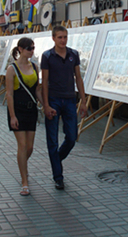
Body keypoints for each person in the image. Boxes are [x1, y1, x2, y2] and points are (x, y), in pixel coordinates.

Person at [41, 25, 87, 190]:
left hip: (69, 100)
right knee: (52, 140)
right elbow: (44, 82)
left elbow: (78, 78)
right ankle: (58, 176)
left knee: (72, 137)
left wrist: (83, 100)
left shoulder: (73, 54)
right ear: (53, 38)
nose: (63, 40)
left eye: (65, 37)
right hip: (53, 100)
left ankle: (56, 159)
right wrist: (45, 105)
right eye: (60, 37)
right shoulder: (47, 56)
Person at [6, 37, 44, 196]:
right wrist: (12, 116)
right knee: (22, 146)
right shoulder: (11, 69)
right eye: (28, 47)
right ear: (20, 49)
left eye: (33, 47)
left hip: (31, 110)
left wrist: (45, 105)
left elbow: (37, 90)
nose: (31, 50)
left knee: (29, 147)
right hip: (18, 110)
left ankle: (23, 166)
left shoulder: (35, 67)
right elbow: (9, 94)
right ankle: (24, 181)